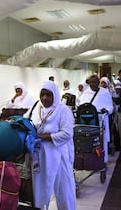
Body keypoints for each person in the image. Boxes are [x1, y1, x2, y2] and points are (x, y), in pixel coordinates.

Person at [25, 81, 76, 210]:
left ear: (55, 95)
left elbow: (67, 134)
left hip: (59, 155)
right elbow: (26, 122)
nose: (45, 98)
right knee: (39, 188)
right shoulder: (36, 107)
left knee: (64, 189)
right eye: (42, 94)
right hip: (40, 155)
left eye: (48, 95)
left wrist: (44, 137)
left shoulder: (63, 111)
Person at [78, 74, 114, 163]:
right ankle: (89, 161)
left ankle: (102, 161)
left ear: (98, 82)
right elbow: (80, 105)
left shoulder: (105, 93)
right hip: (87, 122)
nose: (92, 84)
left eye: (94, 82)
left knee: (101, 142)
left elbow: (111, 107)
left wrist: (106, 110)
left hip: (101, 122)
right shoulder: (85, 93)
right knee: (88, 142)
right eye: (90, 82)